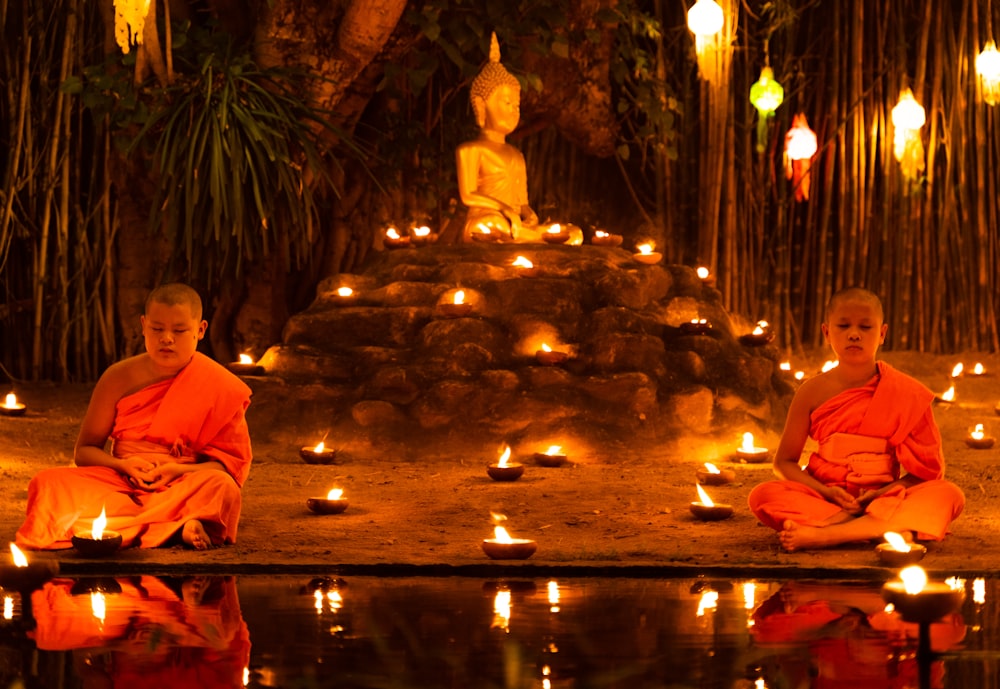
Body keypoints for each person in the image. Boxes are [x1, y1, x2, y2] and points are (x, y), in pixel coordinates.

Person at [16, 283, 253, 551]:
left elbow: (229, 468)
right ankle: (176, 526)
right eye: (157, 329)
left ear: (200, 330)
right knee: (48, 483)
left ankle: (132, 526)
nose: (167, 338)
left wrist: (177, 469)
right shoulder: (117, 378)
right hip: (121, 481)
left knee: (222, 487)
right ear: (143, 325)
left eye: (179, 330)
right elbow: (85, 451)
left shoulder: (218, 385)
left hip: (181, 482)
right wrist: (124, 466)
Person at [747, 287, 964, 551]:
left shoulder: (906, 393)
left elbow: (926, 474)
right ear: (827, 332)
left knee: (949, 494)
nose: (854, 334)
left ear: (882, 333)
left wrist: (881, 493)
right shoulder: (811, 391)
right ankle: (877, 529)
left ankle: (827, 535)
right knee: (763, 495)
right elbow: (784, 463)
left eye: (865, 327)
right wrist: (827, 492)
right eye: (843, 325)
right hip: (824, 497)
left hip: (884, 498)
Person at [456, 33, 542, 243]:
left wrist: (529, 214)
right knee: (492, 226)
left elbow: (521, 203)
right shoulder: (470, 150)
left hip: (514, 224)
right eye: (506, 103)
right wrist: (502, 208)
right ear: (481, 104)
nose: (513, 110)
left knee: (573, 232)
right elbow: (468, 195)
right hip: (485, 220)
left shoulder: (517, 155)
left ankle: (530, 234)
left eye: (517, 105)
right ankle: (534, 237)